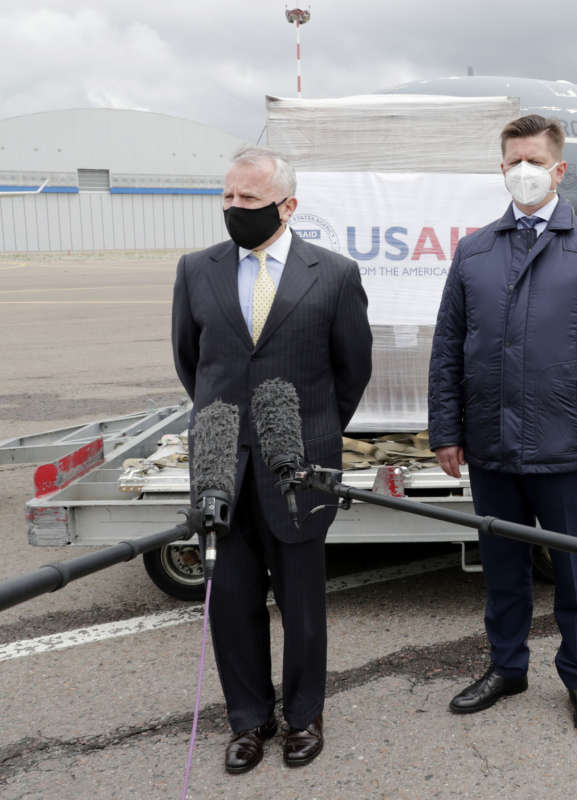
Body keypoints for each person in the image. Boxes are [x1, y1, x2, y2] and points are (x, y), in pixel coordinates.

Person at [428, 114, 577, 736]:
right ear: (501, 168)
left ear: (558, 169)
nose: (523, 172)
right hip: (492, 445)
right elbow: (447, 348)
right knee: (502, 570)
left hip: (568, 447)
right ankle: (507, 667)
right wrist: (446, 429)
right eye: (512, 161)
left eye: (534, 161)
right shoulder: (474, 250)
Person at [171, 146, 372, 773]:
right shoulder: (195, 270)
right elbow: (190, 362)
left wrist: (312, 433)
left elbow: (352, 370)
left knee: (302, 601)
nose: (234, 208)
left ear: (287, 205)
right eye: (227, 196)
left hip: (300, 466)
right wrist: (223, 431)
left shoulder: (334, 274)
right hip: (221, 468)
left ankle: (305, 716)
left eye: (248, 199)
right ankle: (249, 719)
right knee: (230, 600)